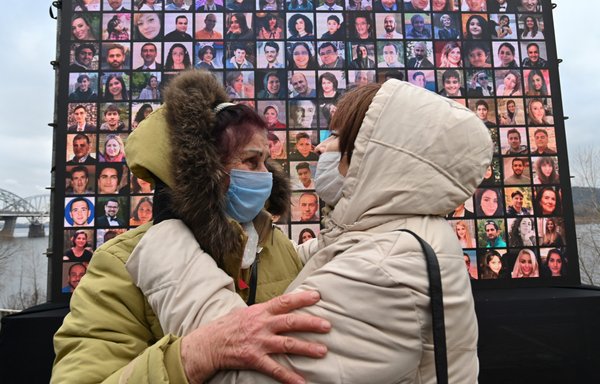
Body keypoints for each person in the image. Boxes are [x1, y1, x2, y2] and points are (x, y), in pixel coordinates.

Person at [124, 78, 488, 383]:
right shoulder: (395, 237)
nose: (320, 147)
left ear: (376, 155)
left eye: (337, 139)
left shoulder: (385, 267)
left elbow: (242, 374)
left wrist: (168, 242)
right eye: (251, 161)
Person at [53, 71, 330, 384]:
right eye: (251, 162)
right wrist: (196, 355)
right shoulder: (119, 264)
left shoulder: (273, 243)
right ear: (203, 171)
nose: (266, 175)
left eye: (267, 161)